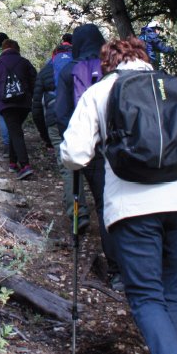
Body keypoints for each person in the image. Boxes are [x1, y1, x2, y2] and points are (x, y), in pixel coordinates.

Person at [60, 37, 177, 354]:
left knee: (146, 295)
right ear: (144, 58)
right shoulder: (174, 87)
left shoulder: (100, 92)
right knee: (175, 291)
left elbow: (75, 155)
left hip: (132, 207)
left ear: (108, 63)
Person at [55, 23, 122, 290]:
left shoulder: (69, 70)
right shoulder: (112, 66)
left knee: (88, 194)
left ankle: (77, 219)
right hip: (115, 146)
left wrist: (69, 141)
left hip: (87, 145)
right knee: (109, 204)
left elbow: (61, 114)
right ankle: (121, 269)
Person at [31, 33, 90, 228]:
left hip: (55, 122)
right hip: (83, 119)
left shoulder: (47, 69)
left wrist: (45, 135)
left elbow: (37, 107)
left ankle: (78, 214)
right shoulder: (83, 65)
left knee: (68, 169)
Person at [0, 39, 37, 179]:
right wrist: (30, 97)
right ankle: (13, 162)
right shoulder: (25, 62)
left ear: (3, 49)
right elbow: (35, 81)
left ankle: (25, 166)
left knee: (15, 131)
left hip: (6, 104)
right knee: (16, 130)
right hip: (24, 104)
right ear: (16, 49)